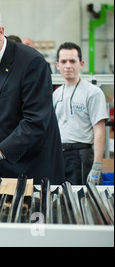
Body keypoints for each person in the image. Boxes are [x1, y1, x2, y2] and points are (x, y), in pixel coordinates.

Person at [0, 3, 64, 184]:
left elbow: (35, 121)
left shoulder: (31, 62)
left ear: (1, 31)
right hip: (0, 164)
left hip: (32, 164)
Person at [53, 42, 108, 185]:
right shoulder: (56, 94)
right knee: (59, 199)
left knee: (79, 201)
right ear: (57, 65)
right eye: (63, 61)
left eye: (72, 61)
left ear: (81, 64)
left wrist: (97, 165)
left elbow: (99, 130)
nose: (68, 65)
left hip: (81, 156)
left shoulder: (93, 92)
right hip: (59, 155)